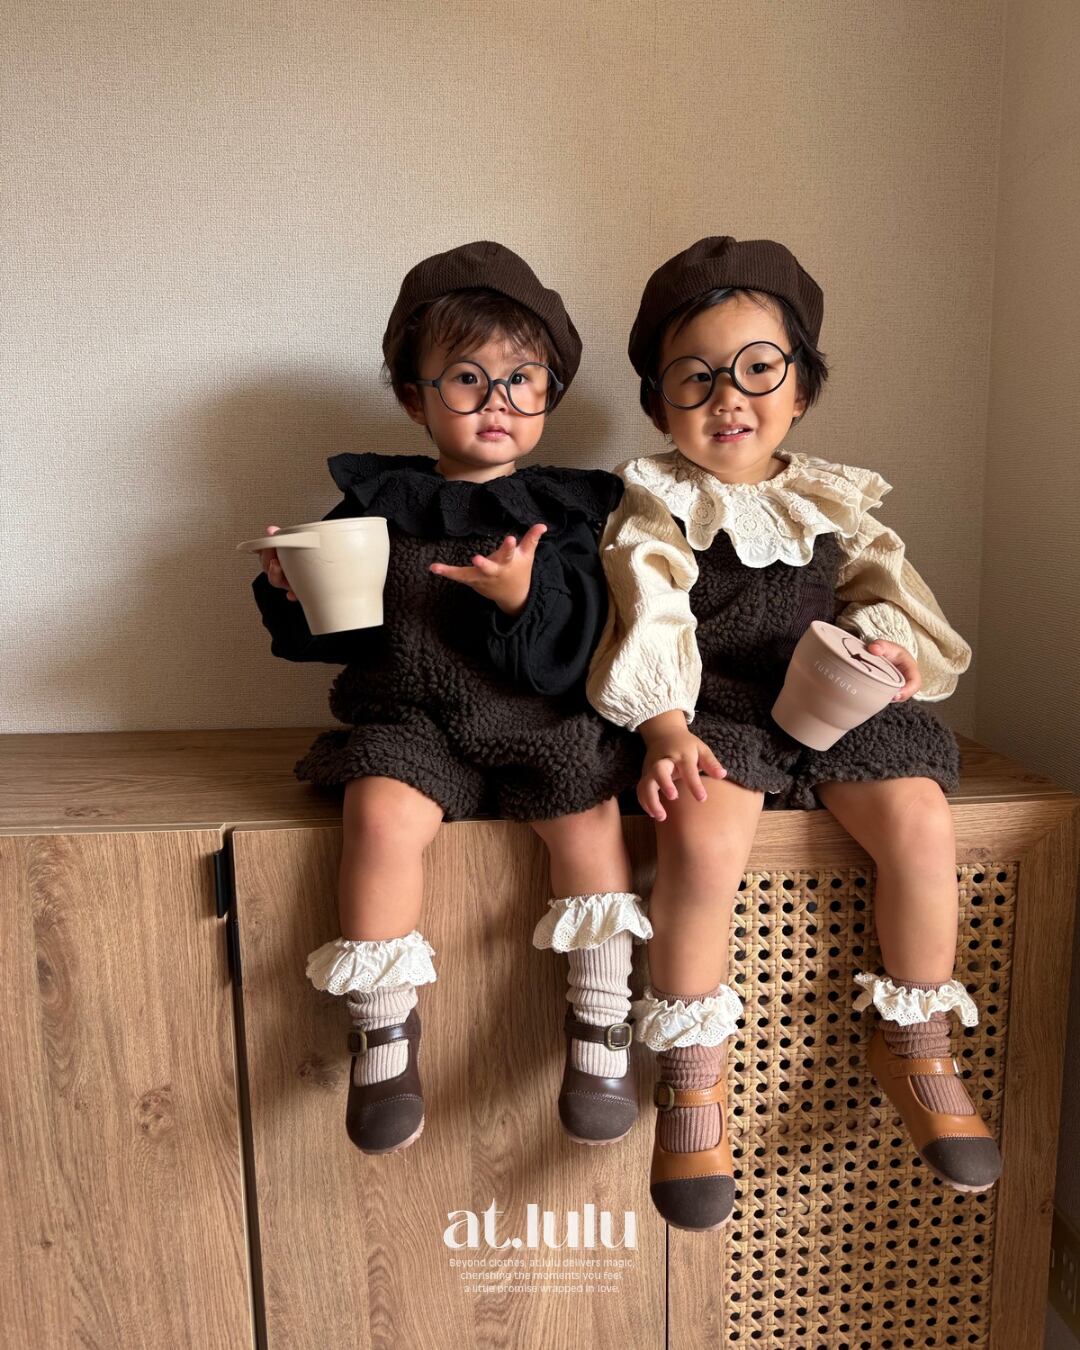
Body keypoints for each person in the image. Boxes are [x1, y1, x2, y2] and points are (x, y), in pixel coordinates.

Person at [587, 235, 1001, 1232]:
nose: (727, 397)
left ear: (801, 387)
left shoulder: (831, 497)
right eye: (695, 377)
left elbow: (883, 593)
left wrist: (890, 648)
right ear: (659, 405)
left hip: (831, 700)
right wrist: (665, 727)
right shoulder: (657, 502)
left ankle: (916, 1042)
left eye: (757, 369)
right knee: (699, 839)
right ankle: (692, 1080)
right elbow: (650, 612)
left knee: (920, 818)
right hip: (713, 706)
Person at [251, 241, 648, 1157]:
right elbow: (343, 634)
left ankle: (600, 1025)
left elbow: (580, 649)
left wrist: (522, 598)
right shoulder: (376, 504)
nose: (496, 402)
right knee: (378, 813)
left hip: (538, 716)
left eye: (521, 380)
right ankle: (382, 1032)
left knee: (589, 814)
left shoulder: (568, 512)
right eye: (468, 379)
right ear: (414, 397)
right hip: (414, 718)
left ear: (548, 394)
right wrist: (293, 590)